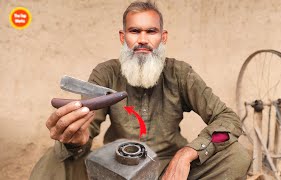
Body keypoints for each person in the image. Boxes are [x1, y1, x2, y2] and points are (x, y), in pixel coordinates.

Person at [30, 1, 251, 179]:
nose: (143, 40)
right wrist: (76, 140)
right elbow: (87, 129)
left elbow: (228, 121)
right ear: (123, 36)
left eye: (151, 31)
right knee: (56, 159)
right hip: (116, 167)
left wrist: (187, 154)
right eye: (135, 31)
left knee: (237, 155)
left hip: (169, 170)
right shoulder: (106, 73)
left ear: (163, 37)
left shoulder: (180, 73)